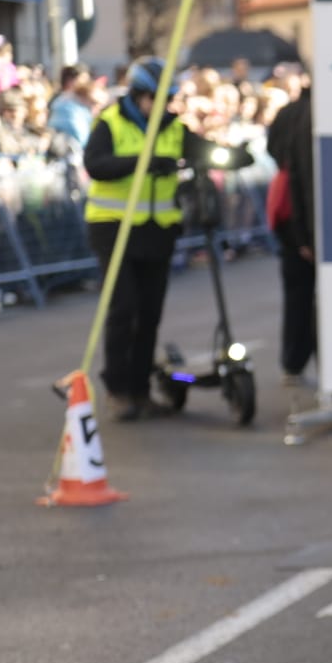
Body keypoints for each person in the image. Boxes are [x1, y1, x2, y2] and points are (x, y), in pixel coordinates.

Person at [84, 56, 218, 421]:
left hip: (157, 230)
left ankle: (140, 390)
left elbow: (203, 150)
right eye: (156, 98)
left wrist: (233, 156)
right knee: (123, 309)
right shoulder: (110, 122)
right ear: (138, 95)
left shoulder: (173, 128)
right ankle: (117, 390)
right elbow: (95, 165)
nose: (163, 106)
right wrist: (143, 161)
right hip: (114, 227)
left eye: (168, 99)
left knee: (149, 313)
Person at [265, 71, 316, 385]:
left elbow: (274, 152)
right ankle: (305, 363)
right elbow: (300, 178)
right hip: (301, 221)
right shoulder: (311, 115)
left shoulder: (288, 113)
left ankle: (293, 363)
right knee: (309, 296)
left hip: (291, 221)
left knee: (297, 295)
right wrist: (305, 236)